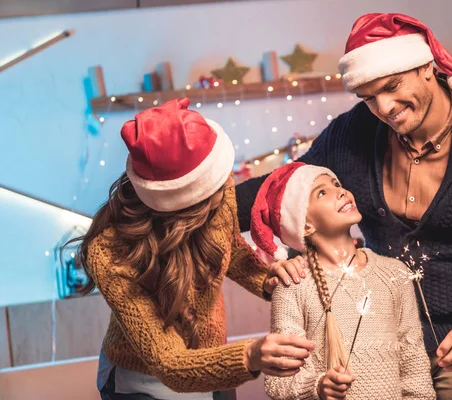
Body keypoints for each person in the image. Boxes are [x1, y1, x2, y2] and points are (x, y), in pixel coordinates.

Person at [236, 13, 452, 400]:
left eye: (391, 86)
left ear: (426, 67)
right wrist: (182, 204)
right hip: (376, 340)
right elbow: (284, 184)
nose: (384, 107)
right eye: (368, 97)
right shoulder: (353, 132)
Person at [71, 98, 313, 400]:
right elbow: (168, 362)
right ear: (186, 207)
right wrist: (250, 355)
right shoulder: (108, 251)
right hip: (142, 381)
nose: (228, 187)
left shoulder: (217, 192)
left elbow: (229, 250)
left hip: (213, 360)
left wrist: (268, 280)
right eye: (219, 186)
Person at [250, 162, 435, 399]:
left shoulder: (394, 274)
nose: (341, 191)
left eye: (337, 184)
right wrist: (317, 387)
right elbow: (278, 383)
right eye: (322, 192)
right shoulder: (294, 285)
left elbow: (415, 366)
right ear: (305, 225)